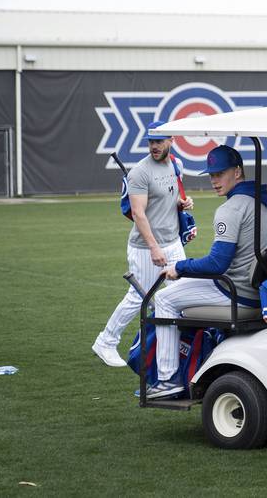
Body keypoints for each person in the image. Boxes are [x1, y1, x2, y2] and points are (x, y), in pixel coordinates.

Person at [145, 145, 267, 398]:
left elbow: (216, 264)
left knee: (163, 298)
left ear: (238, 172)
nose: (214, 180)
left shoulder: (231, 208)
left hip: (237, 292)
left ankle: (167, 379)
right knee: (174, 294)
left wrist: (179, 267)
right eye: (211, 175)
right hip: (262, 293)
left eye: (220, 174)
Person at [93, 120, 194, 367]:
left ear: (172, 141)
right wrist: (154, 247)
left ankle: (175, 345)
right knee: (139, 298)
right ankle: (106, 341)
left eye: (159, 141)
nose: (154, 146)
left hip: (172, 243)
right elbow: (138, 214)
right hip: (146, 247)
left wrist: (183, 203)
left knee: (182, 293)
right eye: (151, 141)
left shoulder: (176, 165)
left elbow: (171, 198)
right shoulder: (140, 171)